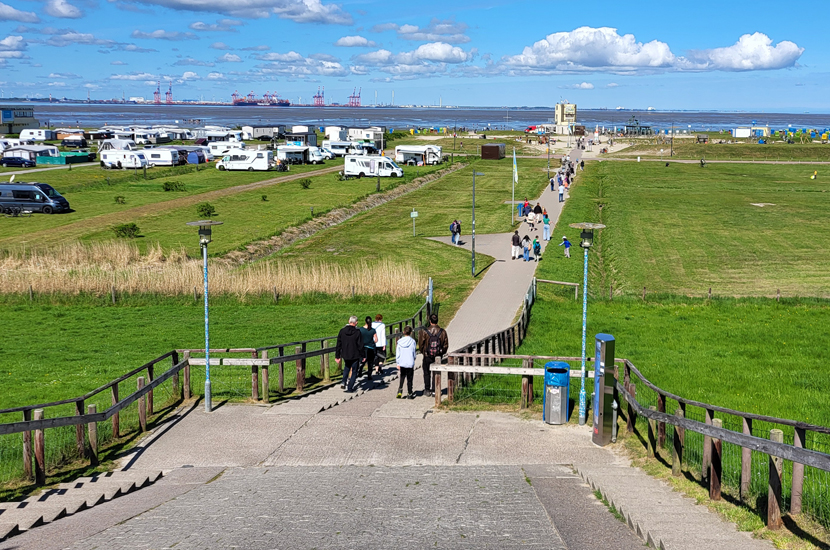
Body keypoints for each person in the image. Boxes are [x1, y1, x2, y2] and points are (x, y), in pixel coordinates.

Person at [418, 313, 448, 397]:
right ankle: (435, 390)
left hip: (427, 355)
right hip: (438, 356)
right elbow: (446, 345)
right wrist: (441, 353)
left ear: (430, 321)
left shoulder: (425, 332)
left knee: (426, 372)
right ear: (437, 321)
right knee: (436, 372)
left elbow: (421, 344)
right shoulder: (443, 332)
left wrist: (423, 352)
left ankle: (427, 390)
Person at [335, 316, 364, 392]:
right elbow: (360, 345)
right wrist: (363, 355)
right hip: (355, 354)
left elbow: (338, 344)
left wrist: (337, 356)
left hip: (345, 354)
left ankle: (343, 381)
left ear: (349, 321)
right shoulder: (357, 332)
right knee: (354, 371)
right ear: (356, 322)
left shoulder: (342, 331)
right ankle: (350, 387)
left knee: (347, 367)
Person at [395, 325, 417, 399]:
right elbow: (414, 351)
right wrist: (414, 358)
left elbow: (398, 353)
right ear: (411, 332)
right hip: (410, 361)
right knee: (409, 378)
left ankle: (400, 390)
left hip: (402, 361)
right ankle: (410, 392)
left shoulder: (399, 342)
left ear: (403, 332)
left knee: (402, 376)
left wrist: (398, 362)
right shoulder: (413, 341)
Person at [359, 316, 378, 380]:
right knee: (370, 362)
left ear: (365, 321)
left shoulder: (361, 330)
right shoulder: (373, 330)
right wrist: (372, 341)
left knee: (362, 361)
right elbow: (376, 340)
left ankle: (360, 370)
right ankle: (369, 375)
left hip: (363, 348)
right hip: (371, 348)